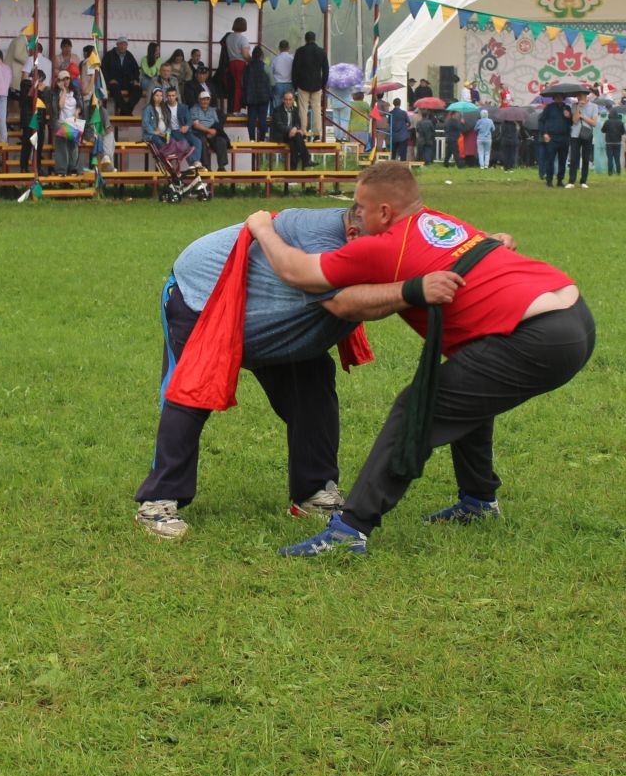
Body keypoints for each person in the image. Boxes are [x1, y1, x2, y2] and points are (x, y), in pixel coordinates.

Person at [245, 163, 594, 557]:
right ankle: (478, 501)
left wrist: (263, 229)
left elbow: (297, 271)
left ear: (384, 213)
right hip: (571, 313)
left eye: (360, 206)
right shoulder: (438, 221)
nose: (354, 215)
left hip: (538, 337)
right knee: (468, 390)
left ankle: (350, 530)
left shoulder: (382, 246)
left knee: (417, 406)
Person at [136, 206, 412, 538]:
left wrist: (481, 249)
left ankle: (313, 492)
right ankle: (157, 501)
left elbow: (439, 247)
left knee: (312, 383)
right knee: (193, 389)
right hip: (203, 294)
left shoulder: (377, 232)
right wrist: (418, 289)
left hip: (278, 316)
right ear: (355, 234)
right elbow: (347, 304)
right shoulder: (319, 241)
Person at [291, 30, 328, 135]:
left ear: (305, 39)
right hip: (317, 84)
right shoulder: (321, 52)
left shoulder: (300, 51)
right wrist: (323, 84)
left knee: (303, 109)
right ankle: (317, 134)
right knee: (316, 109)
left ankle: (303, 132)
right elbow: (326, 70)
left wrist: (295, 85)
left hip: (302, 84)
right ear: (315, 39)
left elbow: (295, 69)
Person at [186, 88, 230, 171]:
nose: (205, 101)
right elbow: (196, 125)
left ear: (209, 100)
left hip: (211, 131)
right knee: (202, 141)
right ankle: (206, 167)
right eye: (203, 99)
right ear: (199, 100)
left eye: (207, 99)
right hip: (199, 132)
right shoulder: (194, 109)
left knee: (221, 141)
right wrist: (208, 131)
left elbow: (217, 123)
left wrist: (214, 131)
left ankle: (221, 166)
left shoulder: (212, 110)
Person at [101, 39, 141, 117]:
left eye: (124, 44)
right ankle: (127, 111)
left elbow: (136, 69)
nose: (123, 46)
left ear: (127, 46)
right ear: (117, 45)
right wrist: (109, 80)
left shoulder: (129, 55)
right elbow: (103, 69)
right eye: (121, 44)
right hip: (113, 82)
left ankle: (125, 111)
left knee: (138, 89)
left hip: (127, 82)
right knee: (114, 88)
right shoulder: (109, 55)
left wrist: (135, 80)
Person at [242, 41, 273, 138]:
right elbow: (272, 82)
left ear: (252, 55)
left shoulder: (247, 68)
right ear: (261, 56)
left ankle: (251, 139)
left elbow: (243, 83)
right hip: (264, 98)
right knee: (262, 120)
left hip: (251, 97)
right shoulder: (266, 67)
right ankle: (262, 139)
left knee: (251, 119)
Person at [269, 39, 295, 120]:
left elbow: (271, 72)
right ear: (289, 48)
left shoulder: (275, 59)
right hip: (290, 84)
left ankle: (277, 121)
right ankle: (288, 122)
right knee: (289, 105)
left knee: (277, 105)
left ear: (279, 48)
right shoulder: (292, 59)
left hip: (278, 84)